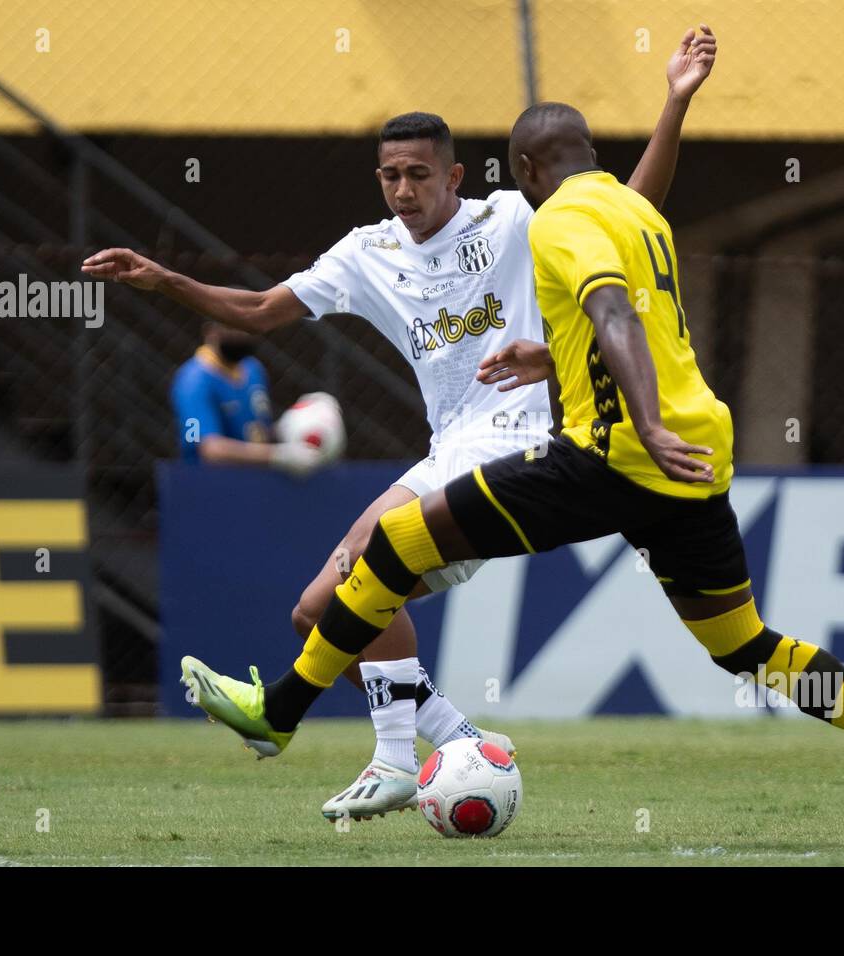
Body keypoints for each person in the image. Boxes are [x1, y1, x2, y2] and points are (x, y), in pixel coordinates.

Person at [182, 101, 844, 845]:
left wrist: (643, 422)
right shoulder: (633, 213)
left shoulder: (553, 222)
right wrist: (552, 352)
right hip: (698, 456)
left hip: (612, 454)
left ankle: (281, 712)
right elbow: (618, 306)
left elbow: (612, 314)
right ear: (591, 157)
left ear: (523, 172)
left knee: (394, 544)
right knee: (746, 646)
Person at [84, 27, 720, 821]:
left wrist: (674, 102)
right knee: (318, 612)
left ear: (454, 175)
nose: (403, 189)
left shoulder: (512, 219)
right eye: (389, 175)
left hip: (511, 442)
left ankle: (385, 757)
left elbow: (630, 205)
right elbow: (258, 310)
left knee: (359, 576)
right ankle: (457, 741)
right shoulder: (366, 253)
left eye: (419, 174)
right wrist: (161, 278)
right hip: (446, 447)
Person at [170, 322, 323, 473]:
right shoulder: (192, 382)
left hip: (254, 479)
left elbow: (258, 430)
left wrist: (294, 424)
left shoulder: (253, 369)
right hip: (206, 483)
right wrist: (276, 455)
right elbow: (209, 449)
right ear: (211, 331)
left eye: (245, 328)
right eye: (231, 326)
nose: (241, 334)